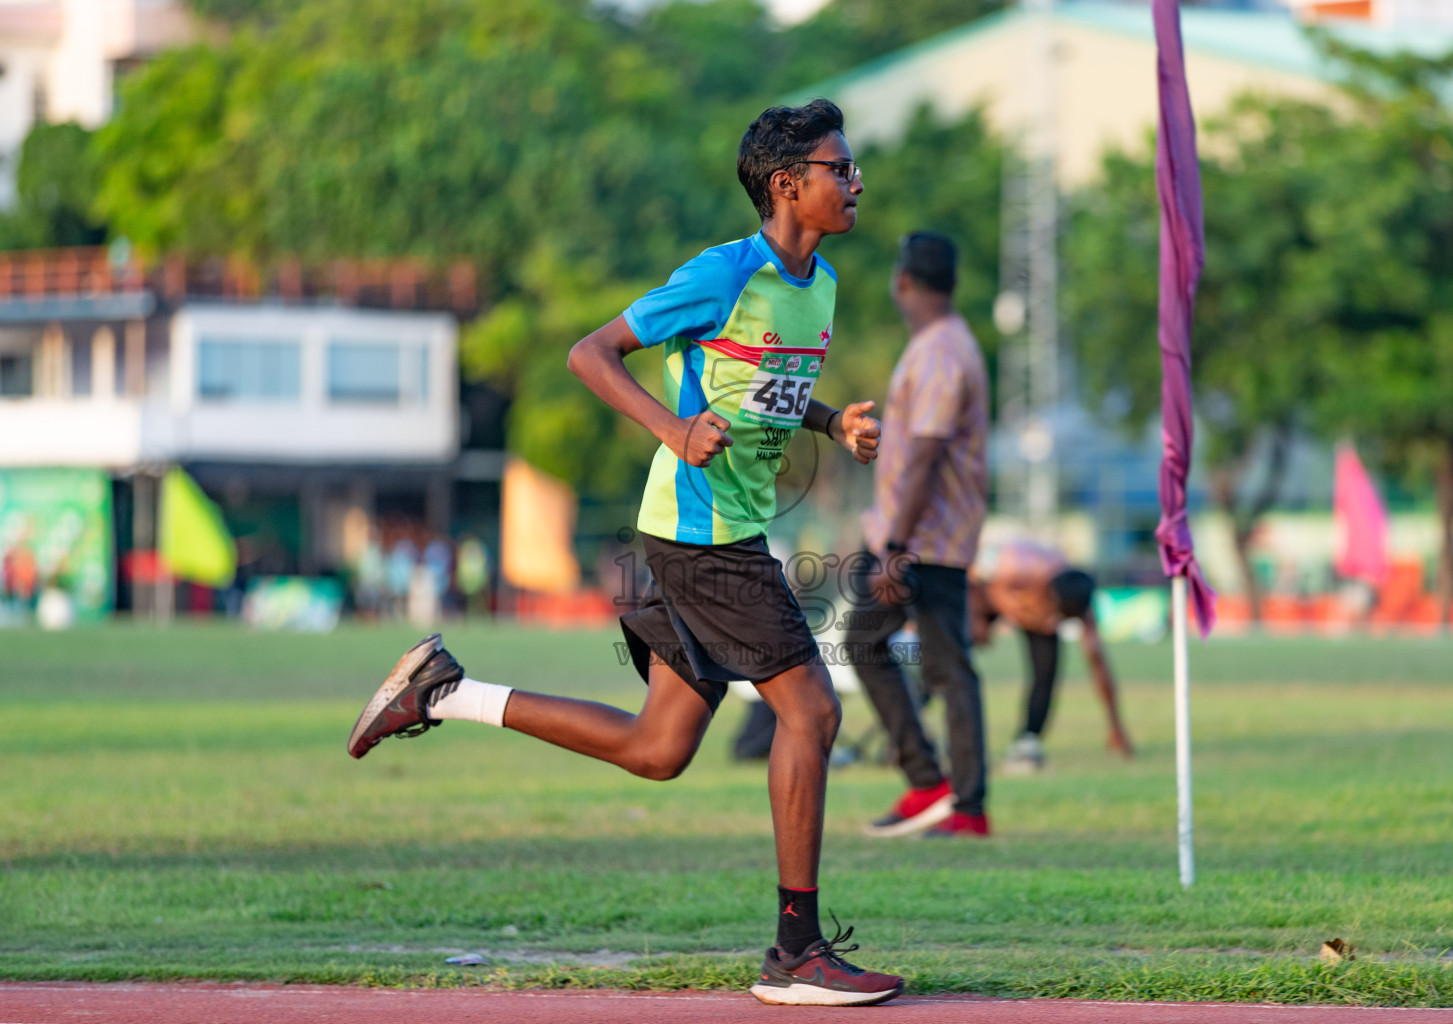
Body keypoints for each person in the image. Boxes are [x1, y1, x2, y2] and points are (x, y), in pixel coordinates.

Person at [345, 99, 904, 1008]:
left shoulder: (822, 284)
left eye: (851, 168)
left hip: (712, 534)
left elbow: (767, 386)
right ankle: (796, 953)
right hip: (700, 536)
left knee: (658, 748)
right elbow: (589, 353)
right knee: (812, 714)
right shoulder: (723, 273)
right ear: (785, 184)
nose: (854, 182)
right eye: (839, 168)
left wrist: (829, 420)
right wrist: (675, 427)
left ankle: (445, 692)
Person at [847, 231, 992, 839]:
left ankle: (950, 795)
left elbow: (927, 454)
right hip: (932, 537)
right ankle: (946, 792)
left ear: (903, 281)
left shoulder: (938, 353)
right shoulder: (951, 344)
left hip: (922, 541)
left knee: (924, 661)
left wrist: (893, 547)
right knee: (929, 660)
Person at [970, 537, 1134, 775]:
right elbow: (969, 577)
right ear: (1048, 592)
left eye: (1062, 621)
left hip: (1026, 610)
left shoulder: (1076, 599)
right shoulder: (1015, 567)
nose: (1052, 624)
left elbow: (1098, 664)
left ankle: (1027, 741)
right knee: (946, 660)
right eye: (1055, 614)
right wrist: (977, 617)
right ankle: (913, 726)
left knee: (1046, 672)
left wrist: (1115, 725)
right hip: (986, 600)